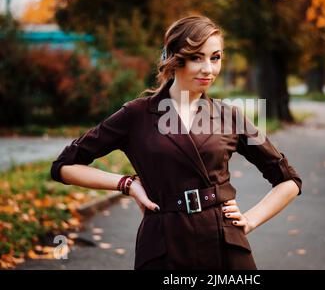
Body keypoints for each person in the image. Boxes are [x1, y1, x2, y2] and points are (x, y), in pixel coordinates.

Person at [50, 15, 302, 270]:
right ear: (174, 59)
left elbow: (288, 180)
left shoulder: (230, 116)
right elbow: (64, 166)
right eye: (196, 57)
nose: (208, 69)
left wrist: (250, 220)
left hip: (224, 243)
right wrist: (126, 184)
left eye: (215, 58)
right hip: (163, 244)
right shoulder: (137, 115)